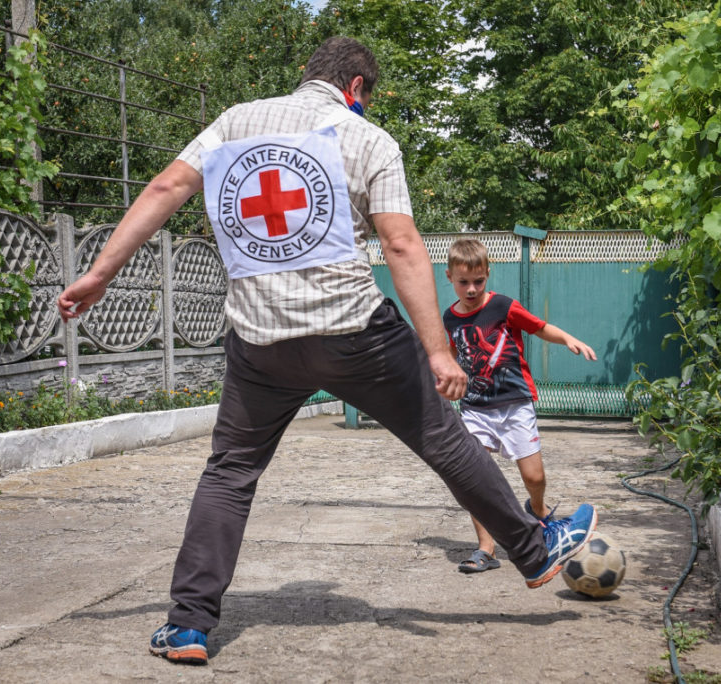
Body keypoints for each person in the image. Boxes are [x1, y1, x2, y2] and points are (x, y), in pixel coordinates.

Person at [56, 37, 597, 667]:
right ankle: (533, 552)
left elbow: (165, 187)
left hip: (261, 342)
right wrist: (438, 350)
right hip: (355, 335)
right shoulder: (369, 140)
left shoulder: (236, 121)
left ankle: (188, 626)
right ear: (358, 85)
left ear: (309, 76)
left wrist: (100, 274)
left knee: (230, 474)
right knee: (443, 439)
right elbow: (399, 246)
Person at [443, 238, 598, 574]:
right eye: (463, 282)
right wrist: (445, 378)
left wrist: (568, 338)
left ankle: (538, 510)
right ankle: (486, 549)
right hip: (475, 408)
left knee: (534, 476)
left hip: (515, 405)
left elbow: (540, 328)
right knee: (474, 479)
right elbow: (454, 355)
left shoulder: (503, 306)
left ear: (487, 275)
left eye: (478, 281)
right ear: (449, 278)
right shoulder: (450, 318)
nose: (471, 289)